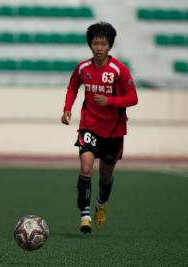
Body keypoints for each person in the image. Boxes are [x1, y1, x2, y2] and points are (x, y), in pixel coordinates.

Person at [61, 22, 138, 234]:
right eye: (95, 43)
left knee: (106, 176)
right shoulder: (83, 68)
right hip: (89, 127)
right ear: (90, 45)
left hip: (113, 132)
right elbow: (73, 87)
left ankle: (100, 204)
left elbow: (133, 98)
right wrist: (67, 109)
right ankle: (84, 214)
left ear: (110, 45)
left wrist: (110, 101)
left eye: (103, 43)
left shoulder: (119, 70)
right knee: (86, 167)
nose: (99, 47)